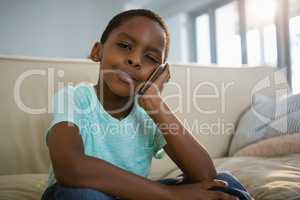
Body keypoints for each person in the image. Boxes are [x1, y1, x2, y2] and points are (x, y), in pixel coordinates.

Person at [42, 9, 252, 200]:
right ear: (98, 51)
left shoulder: (148, 113)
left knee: (223, 184)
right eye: (124, 46)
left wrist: (154, 103)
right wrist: (171, 195)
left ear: (157, 74)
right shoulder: (75, 97)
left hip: (136, 195)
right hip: (75, 192)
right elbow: (71, 168)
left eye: (150, 57)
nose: (135, 60)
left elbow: (205, 175)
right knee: (84, 196)